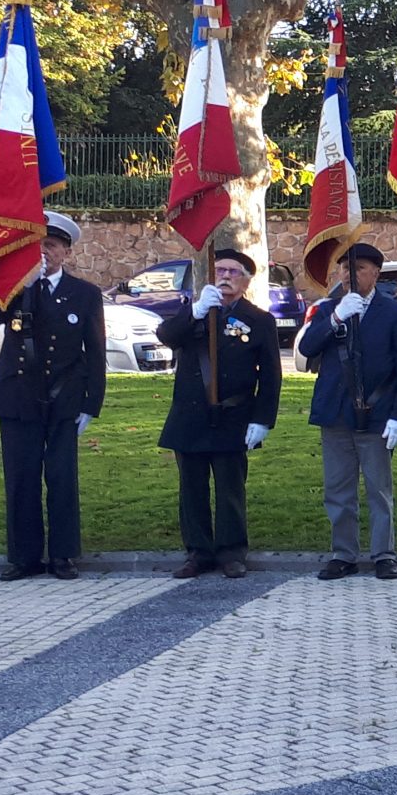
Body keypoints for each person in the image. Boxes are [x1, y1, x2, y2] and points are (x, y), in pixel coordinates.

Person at [0, 211, 106, 581]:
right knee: (21, 478)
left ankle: (63, 555)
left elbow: (95, 352)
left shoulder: (84, 294)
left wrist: (91, 404)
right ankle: (24, 557)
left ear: (66, 252)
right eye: (37, 245)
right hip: (18, 397)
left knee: (61, 477)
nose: (44, 252)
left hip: (63, 397)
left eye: (51, 246)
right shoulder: (15, 288)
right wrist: (20, 286)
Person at [157, 247, 281, 580]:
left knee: (230, 489)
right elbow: (166, 336)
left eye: (233, 272)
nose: (225, 277)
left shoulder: (259, 320)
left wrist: (262, 419)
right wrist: (196, 312)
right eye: (220, 270)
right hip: (191, 416)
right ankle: (197, 552)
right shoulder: (194, 312)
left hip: (233, 416)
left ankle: (231, 552)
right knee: (192, 489)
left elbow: (271, 375)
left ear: (246, 281)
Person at [299, 241, 397, 582]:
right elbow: (307, 347)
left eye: (359, 269)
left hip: (376, 413)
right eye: (345, 269)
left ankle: (384, 554)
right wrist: (337, 317)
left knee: (379, 489)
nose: (350, 275)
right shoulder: (328, 309)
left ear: (375, 274)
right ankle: (343, 554)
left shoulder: (395, 313)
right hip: (336, 412)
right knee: (338, 489)